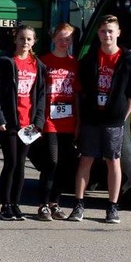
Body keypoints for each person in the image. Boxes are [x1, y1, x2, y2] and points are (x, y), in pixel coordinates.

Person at [71, 14, 131, 223]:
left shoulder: (130, 60)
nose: (107, 35)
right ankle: (78, 205)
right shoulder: (89, 59)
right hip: (91, 118)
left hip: (113, 120)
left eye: (110, 31)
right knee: (86, 159)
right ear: (98, 33)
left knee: (113, 161)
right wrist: (80, 121)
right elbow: (80, 91)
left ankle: (112, 207)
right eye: (103, 31)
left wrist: (120, 117)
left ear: (118, 32)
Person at [0, 24, 48, 221]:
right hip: (9, 122)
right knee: (11, 162)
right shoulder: (5, 62)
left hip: (28, 124)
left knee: (21, 163)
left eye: (29, 39)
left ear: (34, 42)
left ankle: (15, 204)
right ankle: (5, 205)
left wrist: (38, 121)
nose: (25, 42)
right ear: (15, 39)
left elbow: (41, 96)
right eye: (21, 38)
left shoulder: (38, 65)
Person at [38, 23, 79, 220]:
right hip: (49, 120)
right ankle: (43, 204)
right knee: (52, 161)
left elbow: (78, 94)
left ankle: (55, 203)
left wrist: (79, 122)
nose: (64, 42)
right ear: (53, 38)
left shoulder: (75, 64)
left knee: (63, 164)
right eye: (61, 38)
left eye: (68, 38)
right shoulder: (43, 62)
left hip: (69, 121)